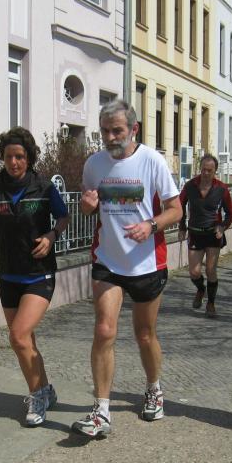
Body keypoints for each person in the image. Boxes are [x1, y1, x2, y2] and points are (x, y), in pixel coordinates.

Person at [72, 100, 182, 438]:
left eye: (117, 130)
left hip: (146, 262)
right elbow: (90, 208)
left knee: (144, 334)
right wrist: (87, 206)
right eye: (105, 131)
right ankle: (101, 410)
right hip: (108, 261)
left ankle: (154, 389)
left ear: (134, 129)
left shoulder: (152, 161)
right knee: (104, 330)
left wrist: (151, 225)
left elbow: (176, 209)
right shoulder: (94, 164)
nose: (110, 137)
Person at [0, 126, 70, 427]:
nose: (14, 162)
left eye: (20, 157)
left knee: (18, 336)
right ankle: (46, 390)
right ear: (2, 157)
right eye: (9, 157)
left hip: (39, 274)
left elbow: (64, 216)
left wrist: (52, 235)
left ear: (29, 158)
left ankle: (36, 396)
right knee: (26, 340)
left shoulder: (44, 188)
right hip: (8, 276)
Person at [178, 154, 232, 317]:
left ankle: (211, 303)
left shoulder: (221, 188)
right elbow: (180, 205)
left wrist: (223, 227)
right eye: (203, 169)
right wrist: (182, 227)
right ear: (200, 168)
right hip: (195, 233)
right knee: (194, 272)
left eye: (209, 170)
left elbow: (230, 212)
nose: (206, 173)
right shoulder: (190, 186)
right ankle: (201, 289)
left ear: (215, 171)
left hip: (213, 234)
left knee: (210, 270)